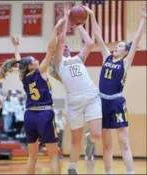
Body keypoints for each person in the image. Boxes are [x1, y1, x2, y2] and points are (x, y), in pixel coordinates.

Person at [84, 5, 147, 174]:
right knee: (106, 144)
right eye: (117, 45)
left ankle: (130, 172)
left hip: (117, 102)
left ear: (125, 52)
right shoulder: (106, 56)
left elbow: (135, 43)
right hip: (102, 102)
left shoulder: (125, 63)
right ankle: (108, 172)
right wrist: (91, 15)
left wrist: (143, 20)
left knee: (124, 142)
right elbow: (97, 35)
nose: (116, 47)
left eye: (120, 46)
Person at [10, 16, 68, 174]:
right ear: (31, 66)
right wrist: (55, 28)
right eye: (34, 60)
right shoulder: (40, 70)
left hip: (29, 116)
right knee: (54, 155)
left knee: (32, 157)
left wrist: (16, 48)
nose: (37, 60)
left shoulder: (23, 76)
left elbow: (19, 62)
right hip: (44, 114)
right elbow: (51, 48)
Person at [52, 6, 102, 174]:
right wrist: (67, 19)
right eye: (62, 46)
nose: (65, 46)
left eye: (66, 46)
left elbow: (89, 43)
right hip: (74, 102)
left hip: (91, 96)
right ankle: (72, 168)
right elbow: (60, 41)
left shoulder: (78, 58)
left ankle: (91, 139)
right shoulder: (58, 65)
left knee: (96, 135)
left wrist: (78, 24)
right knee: (75, 139)